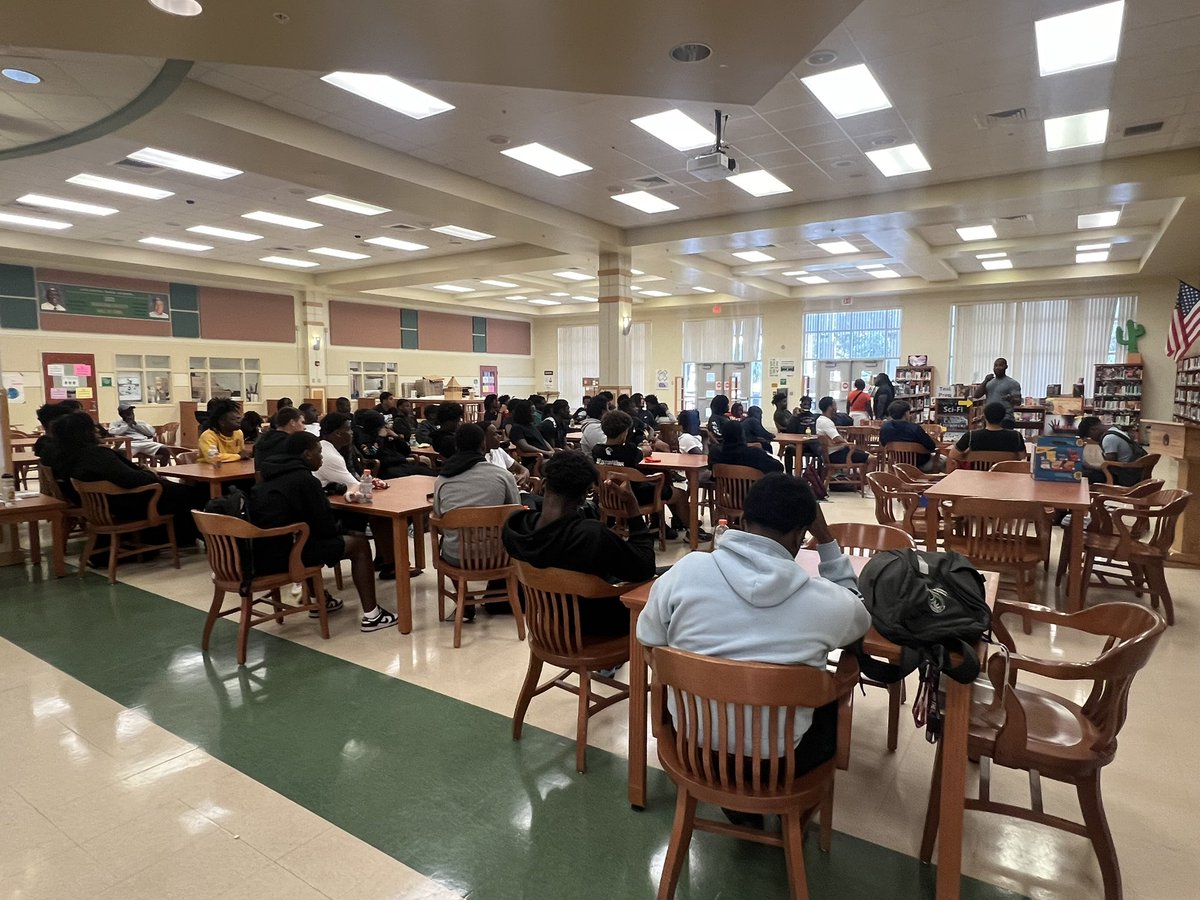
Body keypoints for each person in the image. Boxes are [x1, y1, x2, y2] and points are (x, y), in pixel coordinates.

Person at [637, 474, 870, 803]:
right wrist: (826, 539)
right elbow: (860, 619)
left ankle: (732, 804)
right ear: (800, 537)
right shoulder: (825, 602)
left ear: (742, 521)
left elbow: (649, 640)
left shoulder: (686, 571)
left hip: (691, 746)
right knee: (830, 698)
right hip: (782, 762)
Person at [251, 432, 397, 631]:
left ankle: (318, 600)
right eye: (318, 453)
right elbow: (325, 528)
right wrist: (346, 530)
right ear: (306, 455)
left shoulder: (269, 474)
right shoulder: (305, 480)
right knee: (359, 543)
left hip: (262, 551)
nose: (321, 458)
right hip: (286, 556)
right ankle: (373, 615)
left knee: (306, 537)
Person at [503, 451, 656, 637]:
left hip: (547, 624)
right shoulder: (590, 535)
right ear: (584, 498)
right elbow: (645, 568)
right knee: (673, 577)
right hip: (596, 628)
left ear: (543, 486)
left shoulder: (515, 528)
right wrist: (632, 506)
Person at [51, 410, 202, 547]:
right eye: (93, 427)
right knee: (189, 493)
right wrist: (150, 473)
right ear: (84, 432)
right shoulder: (95, 456)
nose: (97, 430)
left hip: (99, 506)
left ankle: (182, 536)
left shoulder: (62, 457)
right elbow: (132, 479)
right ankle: (188, 537)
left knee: (178, 492)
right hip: (126, 501)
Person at [592, 410, 702, 541]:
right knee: (679, 493)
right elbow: (646, 451)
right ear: (624, 432)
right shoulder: (630, 450)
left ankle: (664, 525)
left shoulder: (596, 450)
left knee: (660, 487)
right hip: (634, 497)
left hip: (608, 497)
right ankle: (693, 532)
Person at [433, 424, 521, 566]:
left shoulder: (443, 479)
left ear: (456, 447)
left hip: (457, 556)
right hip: (497, 556)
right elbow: (515, 514)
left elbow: (439, 519)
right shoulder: (503, 476)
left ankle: (461, 588)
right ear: (483, 446)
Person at [947, 401, 1026, 471]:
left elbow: (953, 455)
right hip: (1006, 480)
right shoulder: (1016, 436)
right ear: (1003, 417)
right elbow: (1022, 457)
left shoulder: (971, 436)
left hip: (975, 480)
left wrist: (968, 457)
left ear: (984, 416)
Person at [354, 409, 423, 478]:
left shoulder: (387, 434)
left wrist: (396, 437)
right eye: (382, 425)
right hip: (386, 469)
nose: (385, 426)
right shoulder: (362, 437)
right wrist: (380, 438)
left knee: (429, 474)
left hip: (401, 464)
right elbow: (371, 453)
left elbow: (406, 452)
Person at [880, 400, 940, 472]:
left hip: (897, 463)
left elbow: (883, 443)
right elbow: (931, 446)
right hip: (920, 465)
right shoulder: (915, 428)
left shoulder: (885, 427)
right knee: (946, 461)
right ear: (906, 413)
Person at [710, 419, 784, 475]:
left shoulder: (715, 453)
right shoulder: (754, 454)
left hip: (729, 491)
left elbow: (712, 473)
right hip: (753, 492)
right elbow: (778, 467)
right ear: (742, 435)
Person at [815, 397, 868, 465]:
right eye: (835, 405)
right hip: (836, 454)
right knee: (872, 459)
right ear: (830, 407)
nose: (836, 408)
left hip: (830, 453)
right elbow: (837, 438)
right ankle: (867, 476)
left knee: (863, 453)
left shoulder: (819, 420)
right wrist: (847, 443)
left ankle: (857, 475)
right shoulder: (826, 422)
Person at [197, 400, 252, 465]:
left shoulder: (239, 433)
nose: (238, 421)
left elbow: (242, 453)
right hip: (208, 470)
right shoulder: (208, 436)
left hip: (233, 467)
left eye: (238, 418)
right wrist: (238, 456)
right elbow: (213, 458)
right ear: (222, 422)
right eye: (233, 419)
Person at [507, 399, 554, 463]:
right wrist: (545, 452)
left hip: (546, 457)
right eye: (532, 412)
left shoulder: (531, 426)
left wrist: (551, 450)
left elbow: (542, 440)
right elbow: (525, 446)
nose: (534, 414)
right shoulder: (517, 428)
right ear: (524, 413)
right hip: (535, 460)